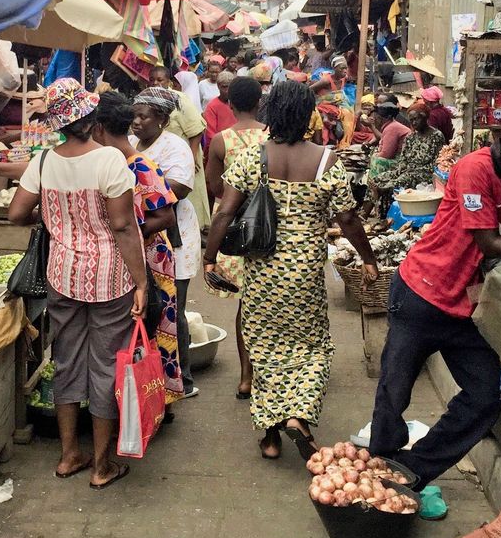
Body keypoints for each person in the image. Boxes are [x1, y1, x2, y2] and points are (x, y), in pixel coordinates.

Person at [368, 115, 501, 520]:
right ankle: (378, 462)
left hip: (461, 310)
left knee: (487, 392)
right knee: (394, 391)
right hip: (419, 293)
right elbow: (488, 242)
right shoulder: (475, 169)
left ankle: (412, 469)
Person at [205, 82, 380, 460]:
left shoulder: (253, 157)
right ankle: (299, 414)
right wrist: (367, 258)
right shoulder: (324, 159)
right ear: (307, 117)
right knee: (312, 348)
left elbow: (224, 212)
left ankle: (269, 437)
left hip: (263, 272)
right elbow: (347, 218)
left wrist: (210, 258)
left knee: (265, 348)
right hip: (304, 273)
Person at [8, 78, 148, 490]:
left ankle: (69, 455)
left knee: (66, 359)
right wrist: (141, 282)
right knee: (105, 366)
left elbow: (17, 214)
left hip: (62, 274)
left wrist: (53, 220)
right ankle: (102, 465)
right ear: (89, 116)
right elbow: (122, 227)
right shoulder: (109, 161)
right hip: (110, 276)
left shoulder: (44, 162)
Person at [91, 91, 183, 404]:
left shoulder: (141, 166)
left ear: (99, 127)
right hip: (130, 256)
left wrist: (130, 232)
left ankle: (158, 400)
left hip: (152, 260)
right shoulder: (111, 162)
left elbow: (166, 216)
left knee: (155, 330)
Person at [132, 87, 202, 400]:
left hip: (174, 237)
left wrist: (135, 191)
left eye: (143, 116)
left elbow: (181, 187)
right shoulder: (132, 143)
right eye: (134, 115)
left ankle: (183, 380)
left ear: (160, 118)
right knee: (150, 308)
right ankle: (154, 376)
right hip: (144, 235)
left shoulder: (175, 146)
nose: (136, 122)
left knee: (174, 310)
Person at [204, 77, 269, 400]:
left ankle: (246, 376)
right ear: (259, 101)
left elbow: (216, 189)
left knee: (246, 305)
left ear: (230, 104)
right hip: (271, 229)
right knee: (268, 303)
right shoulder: (273, 136)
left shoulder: (221, 141)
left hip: (235, 231)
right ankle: (270, 374)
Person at [147, 66, 211, 229]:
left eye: (160, 80)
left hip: (185, 156)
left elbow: (197, 129)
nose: (156, 83)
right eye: (152, 80)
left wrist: (191, 156)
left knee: (189, 196)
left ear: (169, 81)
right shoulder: (147, 99)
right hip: (161, 159)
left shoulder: (179, 99)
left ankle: (194, 229)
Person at [371, 102, 446, 191]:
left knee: (393, 183)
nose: (414, 123)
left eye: (416, 119)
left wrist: (409, 170)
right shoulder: (411, 137)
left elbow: (435, 163)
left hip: (424, 174)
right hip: (407, 171)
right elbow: (403, 160)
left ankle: (383, 198)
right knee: (377, 179)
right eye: (411, 120)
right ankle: (374, 203)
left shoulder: (436, 136)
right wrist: (399, 170)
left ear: (425, 117)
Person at [202, 70, 238, 148]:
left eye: (230, 87)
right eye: (224, 87)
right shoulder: (212, 106)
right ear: (218, 86)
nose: (227, 90)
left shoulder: (238, 104)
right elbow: (210, 134)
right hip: (220, 146)